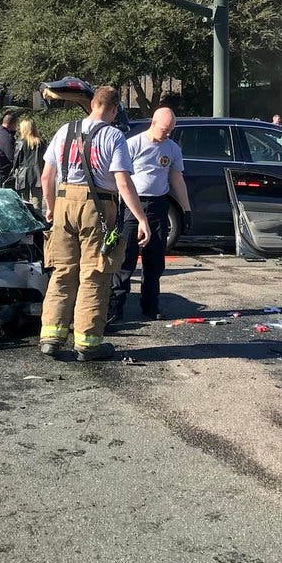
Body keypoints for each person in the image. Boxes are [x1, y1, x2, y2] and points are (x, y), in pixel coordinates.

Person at [40, 86, 151, 362]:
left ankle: (51, 338)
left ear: (92, 104)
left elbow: (46, 176)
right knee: (94, 275)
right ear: (114, 110)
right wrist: (141, 218)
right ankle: (88, 344)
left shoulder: (65, 130)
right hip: (97, 207)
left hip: (64, 202)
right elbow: (122, 181)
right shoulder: (114, 136)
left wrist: (52, 209)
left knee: (62, 271)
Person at [109, 108, 191, 323]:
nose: (167, 134)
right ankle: (116, 308)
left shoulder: (172, 148)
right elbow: (120, 177)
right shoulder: (133, 144)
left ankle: (150, 307)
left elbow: (177, 179)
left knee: (154, 262)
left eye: (171, 131)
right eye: (165, 130)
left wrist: (186, 209)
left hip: (158, 205)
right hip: (132, 206)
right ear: (153, 123)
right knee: (125, 259)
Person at [11, 117, 46, 209]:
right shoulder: (41, 142)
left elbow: (15, 161)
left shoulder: (20, 142)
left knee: (23, 203)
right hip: (38, 174)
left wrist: (13, 172)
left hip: (23, 174)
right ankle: (38, 220)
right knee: (37, 203)